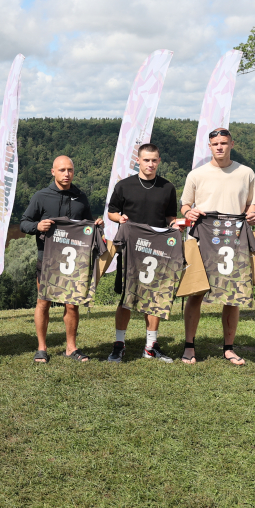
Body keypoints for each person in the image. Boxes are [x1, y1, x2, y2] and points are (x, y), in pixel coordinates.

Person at [180, 128, 255, 366]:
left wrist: (252, 215)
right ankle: (189, 346)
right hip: (203, 239)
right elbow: (185, 205)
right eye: (215, 144)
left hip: (234, 240)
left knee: (232, 296)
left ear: (232, 144)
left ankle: (229, 348)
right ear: (209, 146)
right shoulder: (196, 174)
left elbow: (252, 205)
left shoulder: (246, 173)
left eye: (224, 143)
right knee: (196, 292)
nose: (220, 147)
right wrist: (189, 212)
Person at [20, 155, 103, 363]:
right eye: (62, 170)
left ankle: (71, 348)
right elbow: (24, 223)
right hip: (47, 258)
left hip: (75, 259)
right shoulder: (41, 196)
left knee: (72, 304)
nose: (67, 174)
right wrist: (37, 226)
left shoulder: (81, 197)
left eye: (70, 170)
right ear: (53, 172)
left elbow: (88, 224)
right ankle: (41, 348)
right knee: (43, 302)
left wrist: (96, 225)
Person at [105, 143, 179, 363]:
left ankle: (150, 347)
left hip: (158, 251)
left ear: (159, 161)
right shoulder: (124, 186)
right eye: (146, 160)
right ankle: (119, 345)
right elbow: (111, 212)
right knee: (126, 298)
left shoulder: (168, 187)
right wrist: (120, 218)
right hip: (130, 250)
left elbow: (170, 217)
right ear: (138, 161)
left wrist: (175, 225)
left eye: (154, 160)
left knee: (155, 298)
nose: (150, 164)